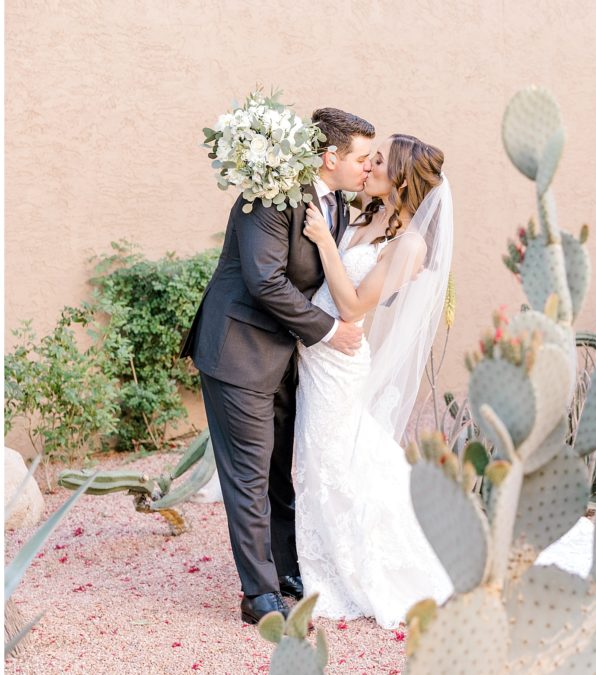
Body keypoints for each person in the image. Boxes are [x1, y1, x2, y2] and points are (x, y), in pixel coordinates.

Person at [180, 108, 373, 625]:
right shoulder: (269, 192)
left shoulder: (337, 206)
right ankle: (258, 595)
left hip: (287, 357)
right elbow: (265, 280)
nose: (367, 168)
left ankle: (288, 570)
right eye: (361, 157)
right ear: (330, 156)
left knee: (276, 474)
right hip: (239, 351)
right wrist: (331, 333)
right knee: (248, 475)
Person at [293, 133, 454, 627]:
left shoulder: (411, 244)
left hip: (339, 357)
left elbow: (353, 305)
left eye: (379, 161)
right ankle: (318, 559)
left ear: (402, 176)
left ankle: (353, 569)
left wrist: (323, 243)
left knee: (331, 464)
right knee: (324, 460)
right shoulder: (368, 215)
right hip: (315, 352)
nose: (369, 167)